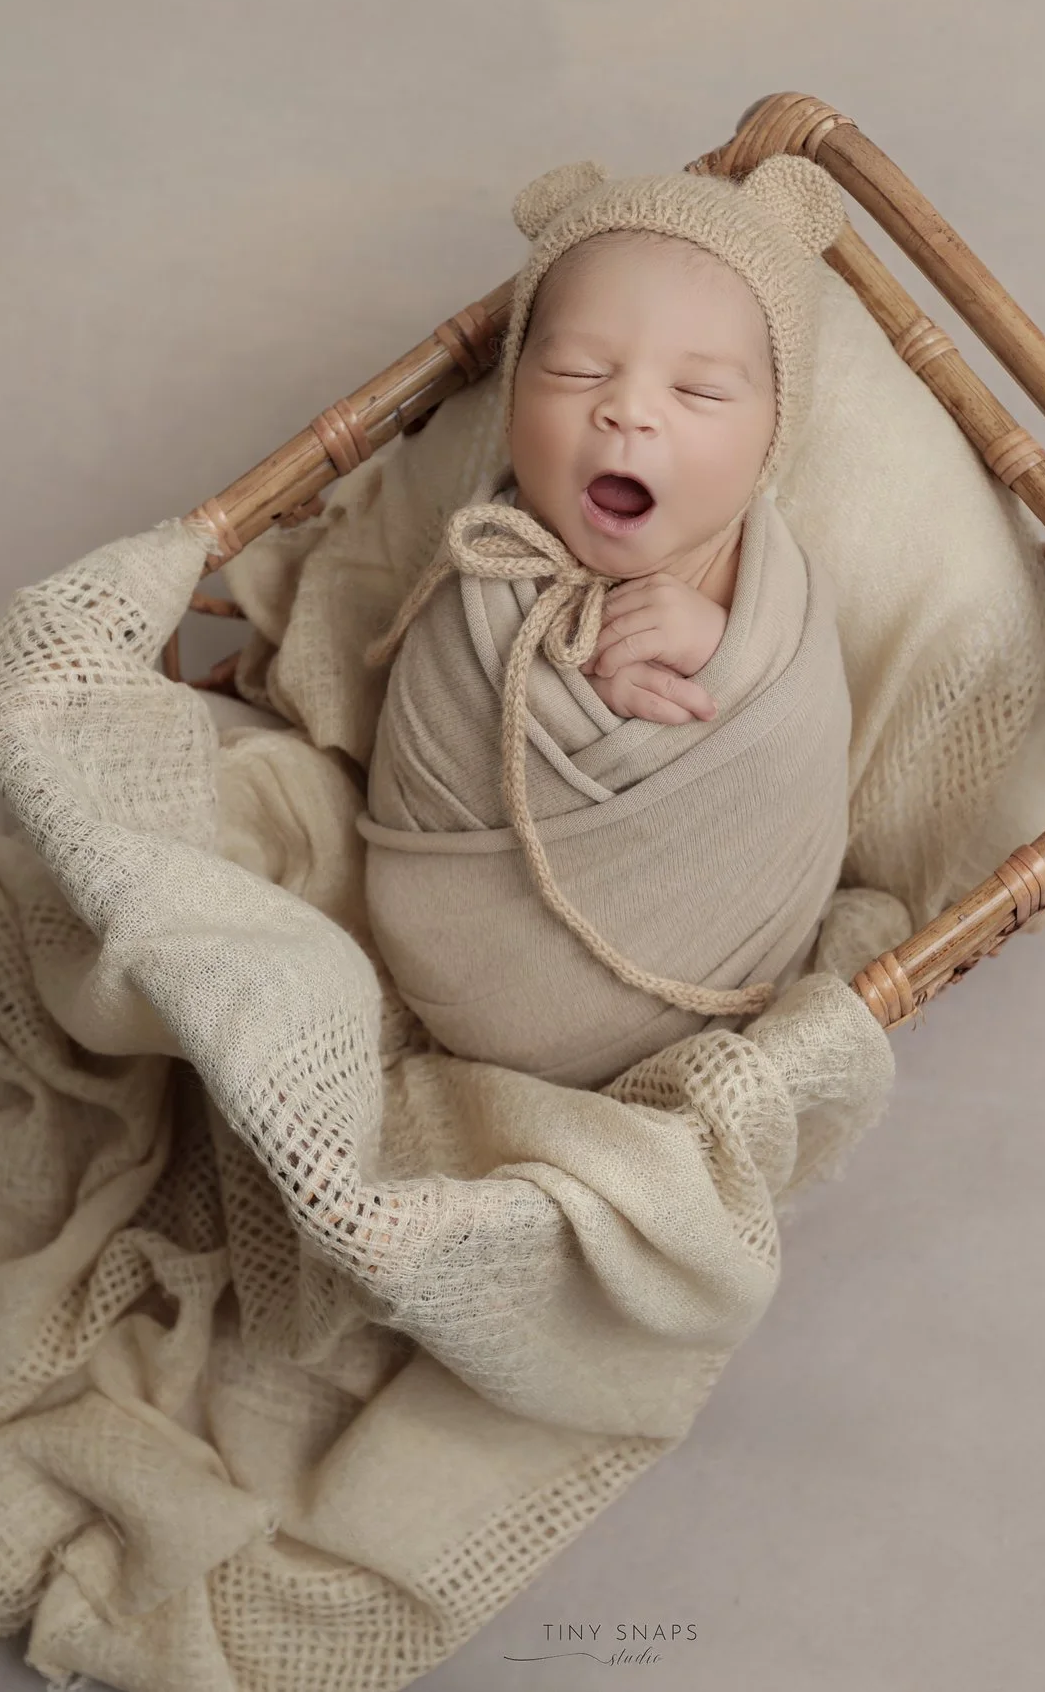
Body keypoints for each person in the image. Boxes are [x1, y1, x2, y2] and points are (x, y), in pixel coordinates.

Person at [358, 155, 855, 1089]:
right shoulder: (488, 560)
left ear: (772, 437)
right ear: (511, 402)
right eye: (580, 371)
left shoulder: (774, 590)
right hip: (463, 953)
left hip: (699, 973)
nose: (627, 411)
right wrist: (572, 671)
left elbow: (797, 733)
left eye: (699, 392)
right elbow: (442, 721)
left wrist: (720, 653)